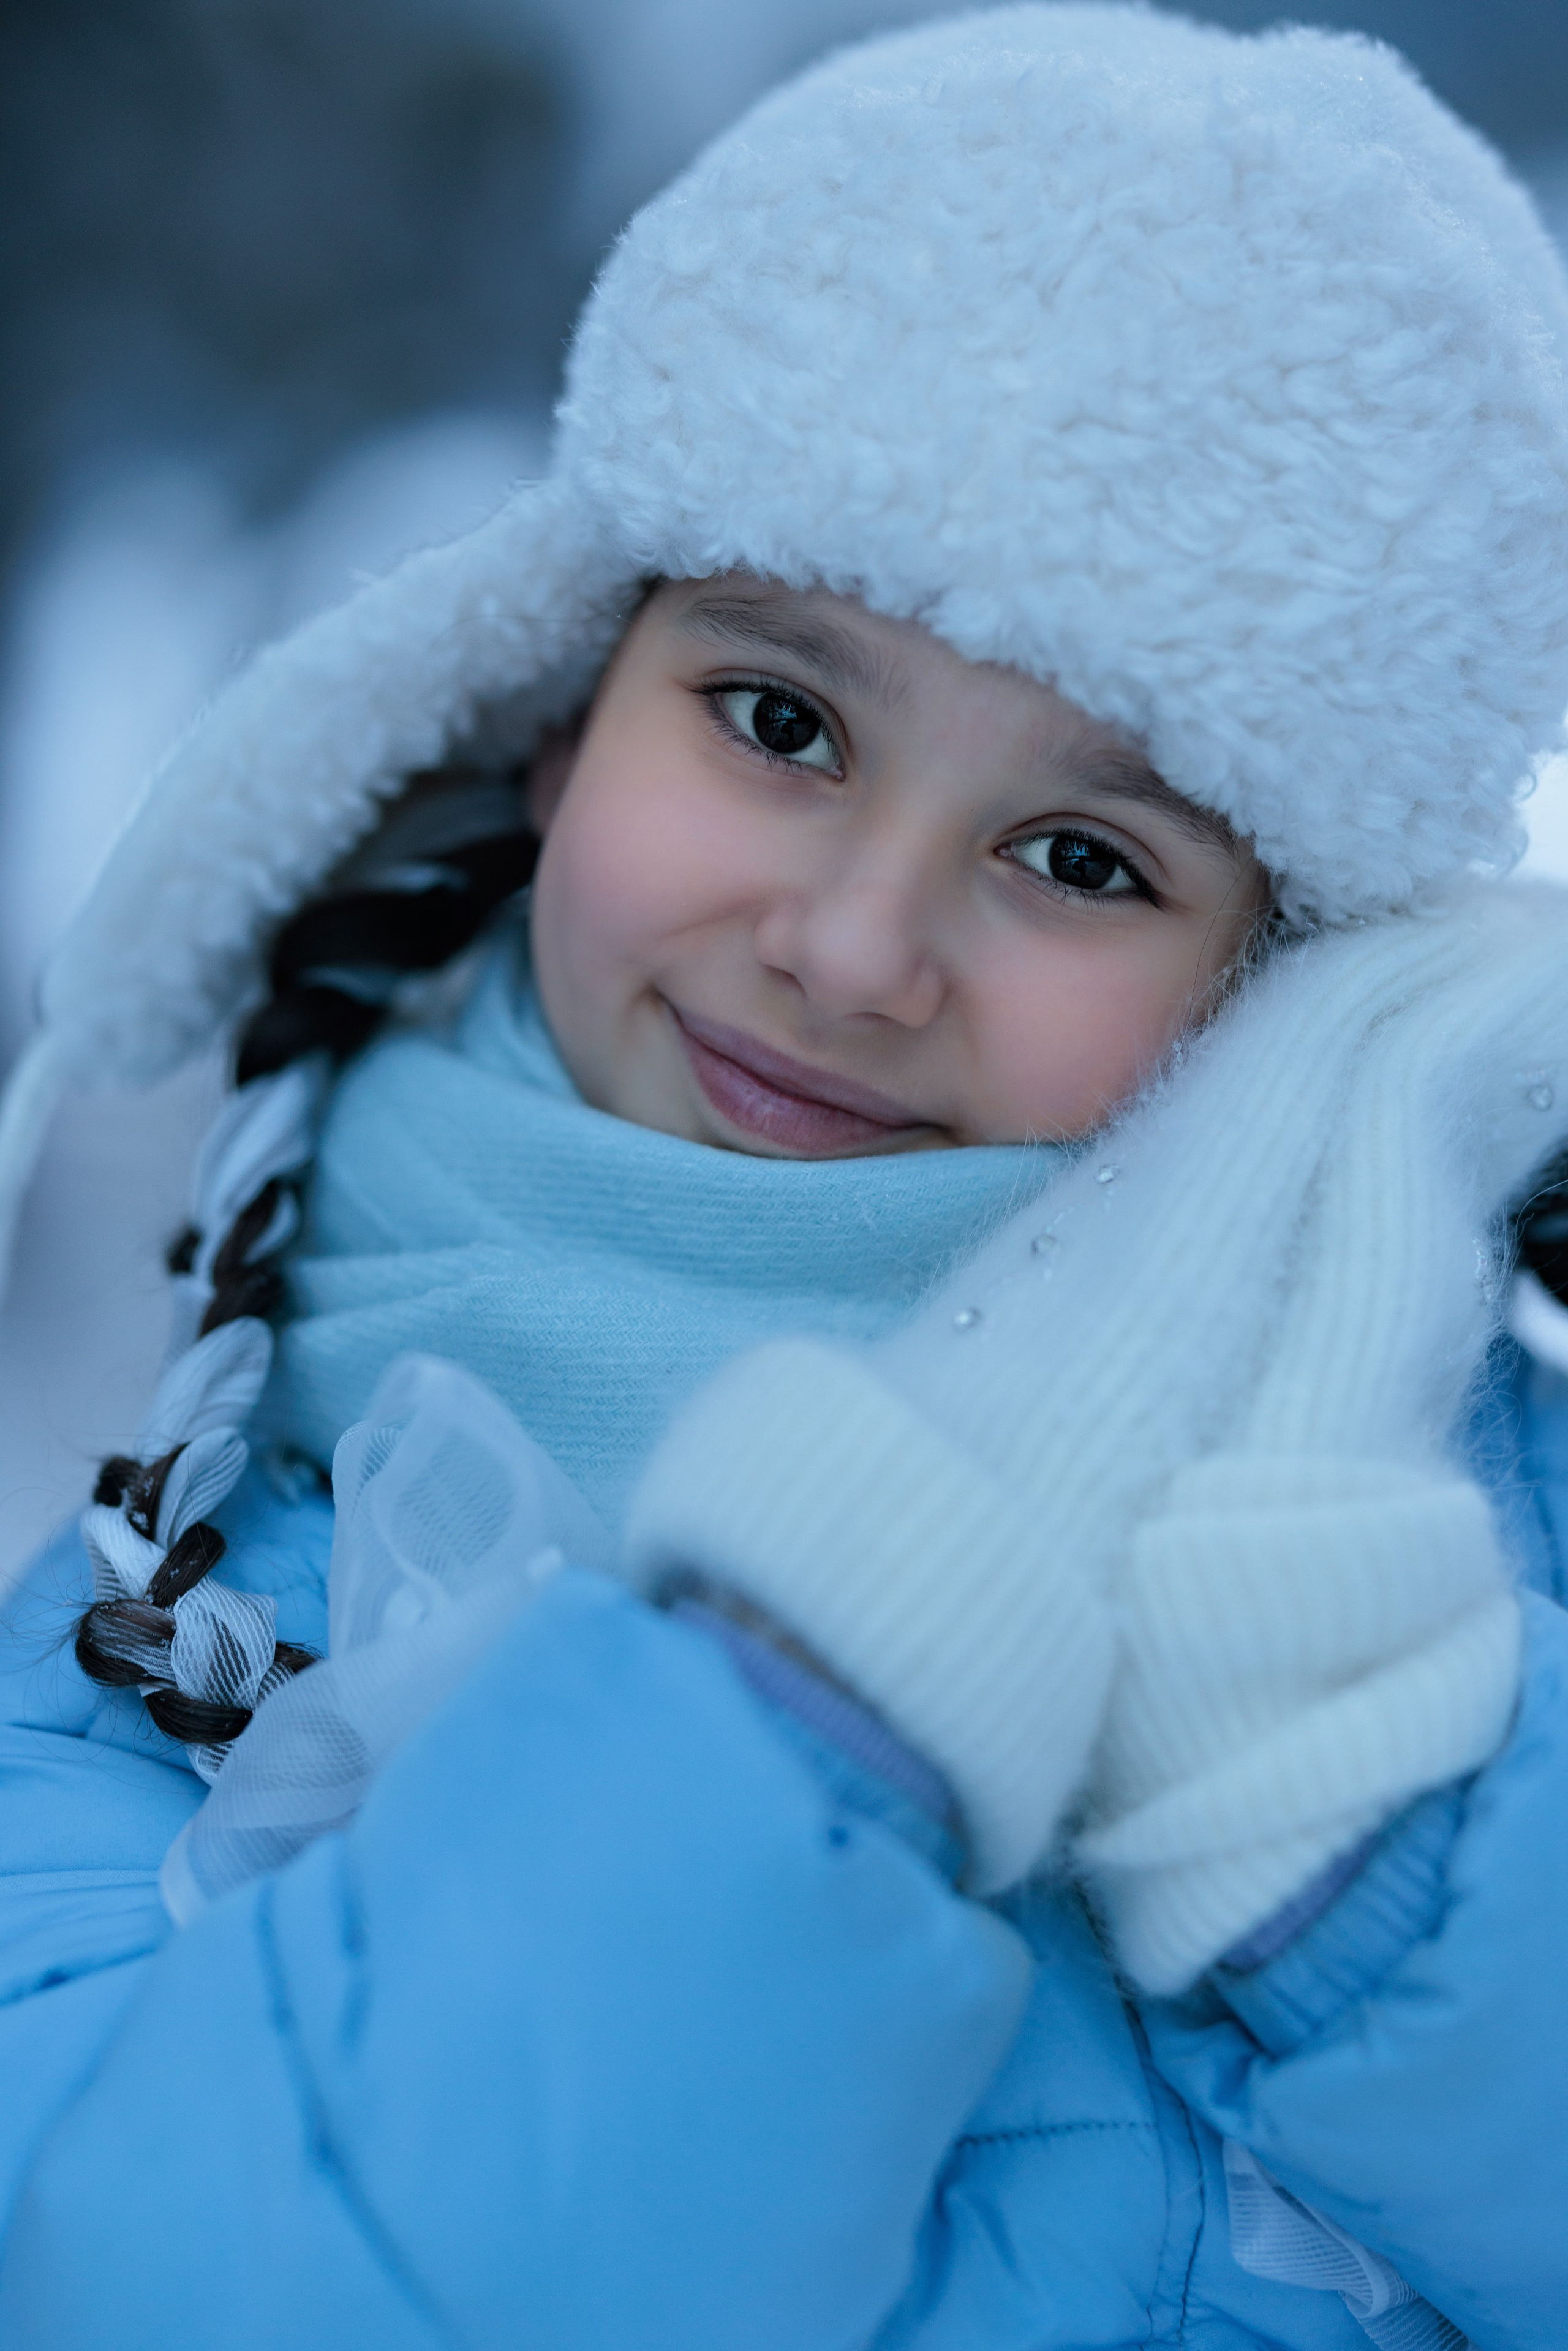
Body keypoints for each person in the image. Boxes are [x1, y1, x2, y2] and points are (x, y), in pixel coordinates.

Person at [2, 7, 1568, 2344]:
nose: (851, 948)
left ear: (1289, 988)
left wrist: (1368, 1852)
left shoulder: (1453, 1578)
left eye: (1078, 855)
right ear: (551, 709)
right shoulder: (184, 1607)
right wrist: (825, 1703)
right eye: (780, 722)